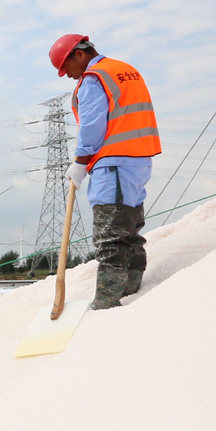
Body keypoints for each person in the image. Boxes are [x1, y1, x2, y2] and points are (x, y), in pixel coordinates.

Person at [50, 34, 163, 310]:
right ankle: (132, 288)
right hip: (139, 160)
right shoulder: (125, 70)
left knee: (110, 234)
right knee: (130, 229)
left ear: (79, 54)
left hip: (113, 162)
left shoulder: (94, 78)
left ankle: (106, 301)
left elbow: (92, 125)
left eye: (66, 68)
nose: (68, 76)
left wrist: (80, 161)